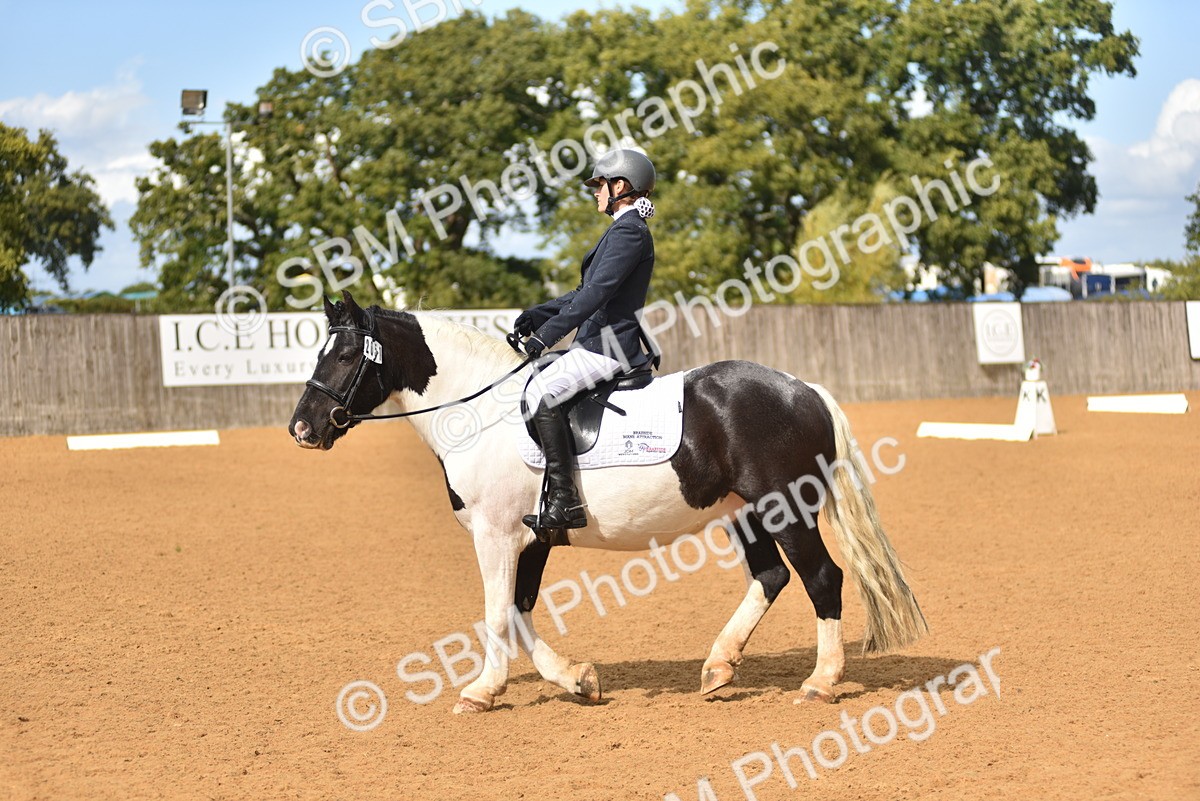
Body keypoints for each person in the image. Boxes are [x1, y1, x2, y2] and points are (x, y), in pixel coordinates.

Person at [514, 149, 658, 537]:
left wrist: (545, 338)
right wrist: (539, 314)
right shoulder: (620, 229)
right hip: (596, 341)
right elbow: (584, 291)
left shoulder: (629, 232)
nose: (595, 192)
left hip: (610, 345)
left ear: (620, 186)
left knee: (544, 393)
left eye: (599, 185)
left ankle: (565, 501)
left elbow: (596, 294)